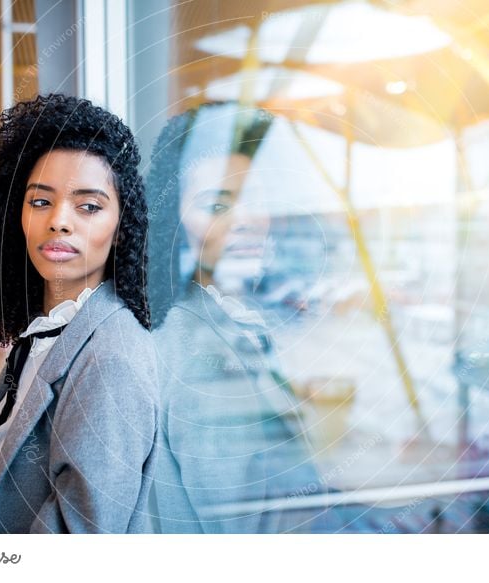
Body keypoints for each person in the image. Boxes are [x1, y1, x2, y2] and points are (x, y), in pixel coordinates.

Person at [0, 94, 158, 534]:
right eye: (40, 201)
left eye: (89, 206)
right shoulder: (47, 332)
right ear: (17, 217)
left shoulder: (110, 361)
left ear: (122, 227)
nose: (59, 221)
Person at [146, 103, 339, 532]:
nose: (247, 219)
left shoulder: (229, 315)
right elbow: (224, 515)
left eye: (256, 200)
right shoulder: (187, 348)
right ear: (171, 220)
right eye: (217, 205)